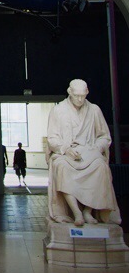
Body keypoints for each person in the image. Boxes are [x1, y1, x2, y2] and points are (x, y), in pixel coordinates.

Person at [46, 79, 121, 226]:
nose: (80, 99)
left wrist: (96, 148)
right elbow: (52, 138)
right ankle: (77, 213)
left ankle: (88, 211)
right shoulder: (58, 110)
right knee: (61, 167)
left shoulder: (94, 110)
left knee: (101, 167)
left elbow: (104, 136)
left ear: (87, 93)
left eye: (82, 96)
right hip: (66, 153)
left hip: (89, 152)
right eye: (76, 96)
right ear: (69, 92)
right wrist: (66, 149)